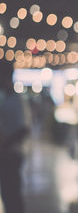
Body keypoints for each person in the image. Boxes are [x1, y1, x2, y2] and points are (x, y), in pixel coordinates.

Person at [0, 60, 28, 213]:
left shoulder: (16, 100)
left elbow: (24, 129)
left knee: (12, 195)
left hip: (12, 154)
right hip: (7, 153)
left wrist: (5, 143)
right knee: (7, 193)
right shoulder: (6, 98)